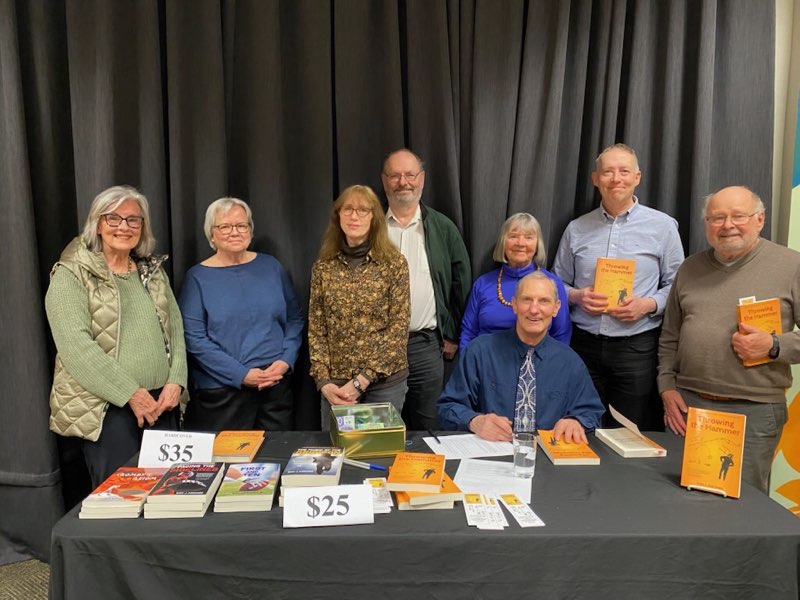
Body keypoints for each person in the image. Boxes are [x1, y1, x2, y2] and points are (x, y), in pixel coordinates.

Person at [658, 186, 799, 494]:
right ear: (706, 224)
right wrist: (667, 387)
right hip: (688, 407)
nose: (727, 225)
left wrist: (774, 345)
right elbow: (669, 336)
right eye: (717, 217)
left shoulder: (792, 266)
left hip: (754, 410)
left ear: (760, 220)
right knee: (681, 500)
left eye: (738, 216)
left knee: (742, 507)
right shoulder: (690, 268)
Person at [45, 185, 187, 487]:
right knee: (121, 501)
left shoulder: (152, 270)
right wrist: (132, 395)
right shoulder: (71, 273)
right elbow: (76, 347)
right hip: (108, 410)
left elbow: (175, 329)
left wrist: (176, 382)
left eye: (133, 220)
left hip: (162, 403)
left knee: (170, 496)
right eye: (114, 218)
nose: (124, 227)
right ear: (97, 223)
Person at [553, 143, 684, 430]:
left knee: (628, 429)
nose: (616, 178)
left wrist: (647, 305)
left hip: (636, 346)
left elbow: (677, 285)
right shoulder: (576, 228)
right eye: (608, 172)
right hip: (583, 345)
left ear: (638, 177)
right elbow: (556, 283)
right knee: (579, 424)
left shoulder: (663, 227)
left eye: (624, 171)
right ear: (595, 178)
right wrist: (577, 296)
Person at [179, 197, 304, 431]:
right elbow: (194, 339)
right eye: (225, 226)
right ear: (211, 234)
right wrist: (241, 374)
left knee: (276, 460)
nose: (234, 232)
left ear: (250, 230)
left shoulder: (271, 267)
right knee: (228, 465)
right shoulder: (197, 278)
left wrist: (285, 361)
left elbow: (294, 319)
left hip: (275, 387)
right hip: (223, 393)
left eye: (241, 225)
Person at [438, 272, 604, 442]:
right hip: (492, 454)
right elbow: (448, 407)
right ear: (515, 304)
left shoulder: (570, 362)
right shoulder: (479, 352)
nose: (534, 310)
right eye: (526, 300)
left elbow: (591, 412)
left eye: (544, 301)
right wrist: (474, 421)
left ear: (556, 308)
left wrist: (577, 422)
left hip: (547, 461)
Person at [381, 148, 472, 430]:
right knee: (383, 423)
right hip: (377, 348)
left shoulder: (443, 228)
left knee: (428, 421)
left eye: (410, 174)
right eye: (395, 175)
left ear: (422, 178)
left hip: (425, 345)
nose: (403, 182)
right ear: (384, 180)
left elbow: (461, 282)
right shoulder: (371, 229)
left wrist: (452, 333)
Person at [309, 185, 411, 425]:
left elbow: (398, 328)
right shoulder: (323, 266)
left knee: (378, 455)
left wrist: (361, 381)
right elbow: (316, 328)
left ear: (374, 218)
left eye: (363, 210)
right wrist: (323, 382)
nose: (354, 216)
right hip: (336, 387)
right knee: (337, 455)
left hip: (384, 384)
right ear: (338, 215)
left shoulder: (394, 264)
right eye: (348, 209)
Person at [460, 212, 571, 348]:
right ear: (503, 242)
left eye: (529, 237)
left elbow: (561, 335)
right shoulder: (483, 284)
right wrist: (469, 364)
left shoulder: (552, 284)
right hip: (484, 363)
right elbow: (468, 332)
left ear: (537, 244)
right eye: (513, 236)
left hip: (535, 364)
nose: (520, 243)